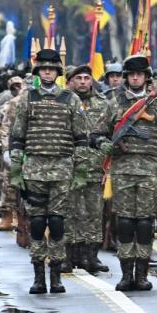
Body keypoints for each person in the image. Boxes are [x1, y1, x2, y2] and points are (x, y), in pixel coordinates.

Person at [9, 49, 84, 294]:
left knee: (58, 222)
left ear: (58, 72)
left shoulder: (71, 99)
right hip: (34, 170)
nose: (48, 72)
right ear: (38, 72)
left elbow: (81, 137)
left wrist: (80, 169)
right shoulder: (27, 99)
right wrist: (17, 172)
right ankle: (39, 276)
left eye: (51, 68)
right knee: (38, 223)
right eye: (43, 69)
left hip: (62, 168)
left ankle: (56, 276)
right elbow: (17, 137)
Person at [101, 54, 157, 292]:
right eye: (131, 75)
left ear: (146, 77)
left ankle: (141, 274)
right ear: (126, 78)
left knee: (144, 224)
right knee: (124, 223)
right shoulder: (115, 103)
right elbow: (99, 133)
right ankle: (126, 274)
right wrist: (106, 146)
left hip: (150, 172)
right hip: (123, 171)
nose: (135, 78)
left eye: (139, 74)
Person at [67, 64, 112, 274]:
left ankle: (91, 256)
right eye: (79, 78)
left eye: (86, 78)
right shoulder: (63, 101)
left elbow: (112, 135)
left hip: (96, 166)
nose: (83, 82)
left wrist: (108, 167)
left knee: (95, 213)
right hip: (70, 166)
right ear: (70, 81)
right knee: (71, 211)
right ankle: (70, 255)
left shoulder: (104, 104)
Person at [0, 76, 25, 231]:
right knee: (9, 183)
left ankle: (23, 220)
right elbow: (5, 128)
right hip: (14, 148)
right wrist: (6, 150)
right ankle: (7, 215)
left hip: (34, 149)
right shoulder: (14, 103)